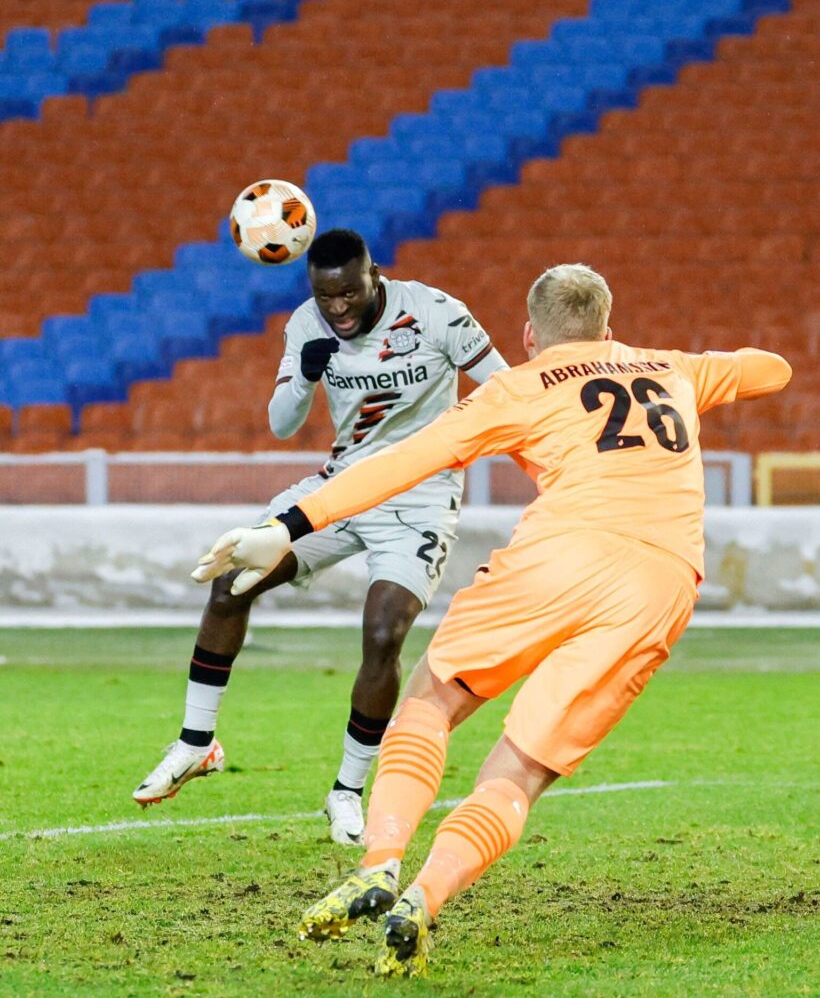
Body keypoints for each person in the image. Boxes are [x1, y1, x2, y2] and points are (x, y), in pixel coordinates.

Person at [191, 262, 791, 976]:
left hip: (559, 554)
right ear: (608, 325)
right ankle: (427, 896)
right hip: (659, 583)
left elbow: (407, 459)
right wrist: (688, 365)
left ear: (532, 334)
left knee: (432, 699)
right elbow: (774, 370)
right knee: (522, 771)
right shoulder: (673, 369)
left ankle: (382, 862)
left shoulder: (520, 385)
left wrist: (289, 525)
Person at [133, 228, 507, 846]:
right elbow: (282, 426)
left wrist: (460, 443)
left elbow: (505, 388)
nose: (338, 308)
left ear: (374, 276)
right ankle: (197, 743)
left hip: (418, 500)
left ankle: (346, 793)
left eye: (349, 294)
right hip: (339, 492)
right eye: (325, 296)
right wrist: (305, 378)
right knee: (231, 583)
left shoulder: (437, 313)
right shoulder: (307, 325)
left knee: (383, 635)